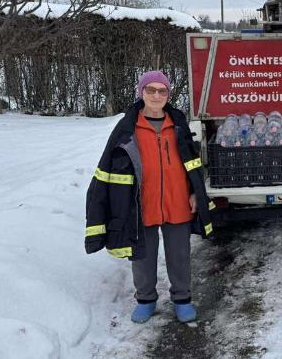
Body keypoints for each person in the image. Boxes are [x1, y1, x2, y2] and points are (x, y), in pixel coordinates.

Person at [84, 70, 214, 324]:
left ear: (168, 94)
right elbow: (109, 169)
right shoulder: (127, 129)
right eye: (151, 90)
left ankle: (182, 299)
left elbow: (193, 164)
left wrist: (194, 193)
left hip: (177, 203)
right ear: (141, 92)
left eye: (162, 90)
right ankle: (146, 299)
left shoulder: (177, 124)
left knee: (180, 255)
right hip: (141, 205)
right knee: (142, 257)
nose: (156, 95)